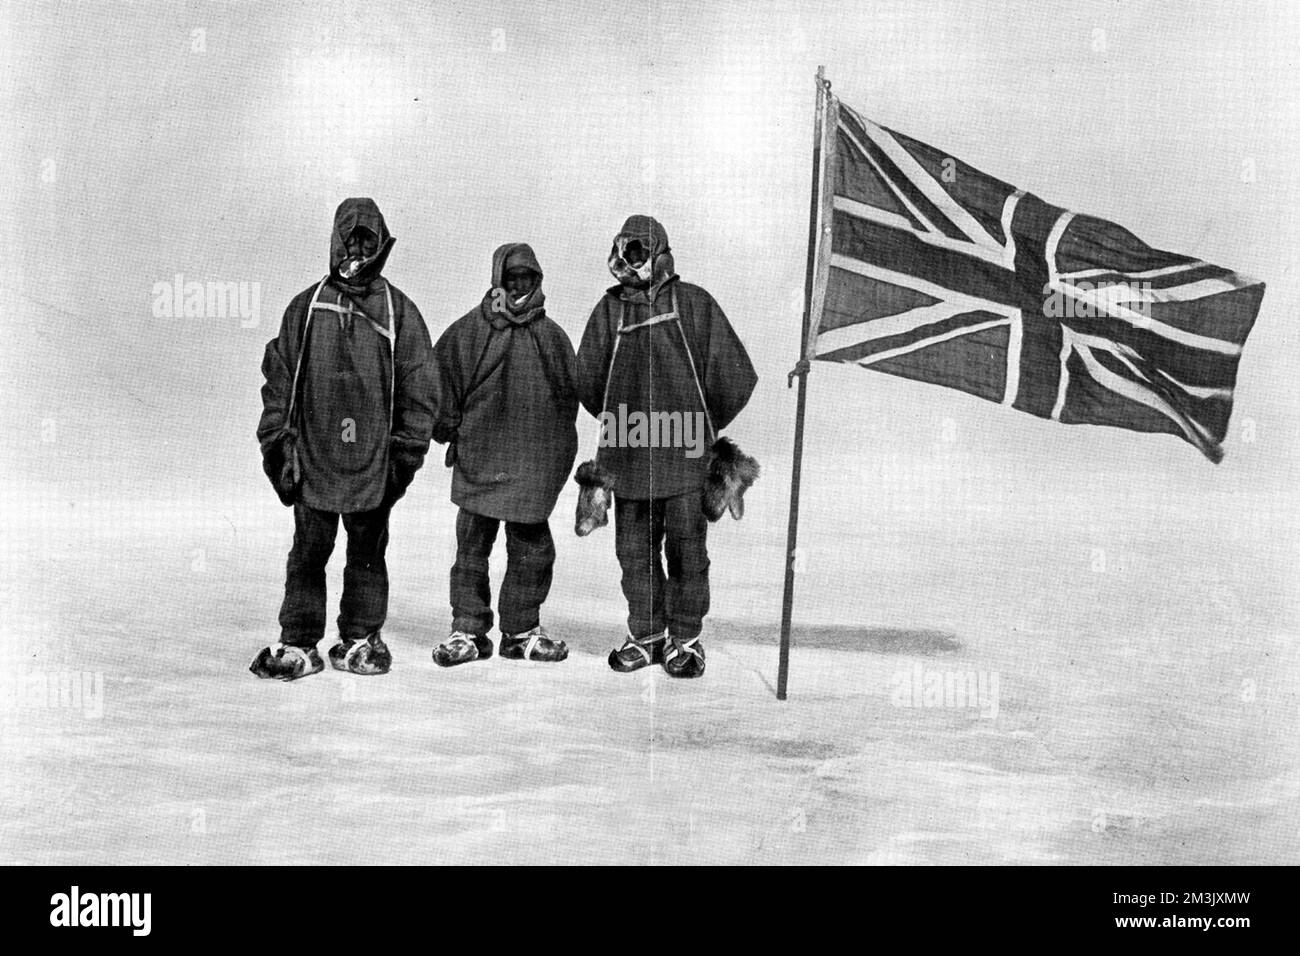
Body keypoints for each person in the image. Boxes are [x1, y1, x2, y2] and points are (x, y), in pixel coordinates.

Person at [250, 198, 434, 681]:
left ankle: (360, 637)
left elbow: (420, 388)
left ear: (380, 245)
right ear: (336, 241)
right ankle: (299, 641)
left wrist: (403, 456)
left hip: (373, 463)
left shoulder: (400, 312)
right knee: (308, 553)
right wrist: (278, 444)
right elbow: (280, 377)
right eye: (350, 239)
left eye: (367, 240)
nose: (358, 249)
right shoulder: (307, 306)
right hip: (314, 457)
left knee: (368, 554)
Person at [575, 215, 757, 679]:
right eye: (626, 250)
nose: (632, 260)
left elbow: (735, 374)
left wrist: (699, 424)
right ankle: (647, 635)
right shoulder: (609, 310)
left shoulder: (693, 303)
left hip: (684, 462)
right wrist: (623, 420)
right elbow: (587, 379)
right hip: (629, 459)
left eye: (641, 250)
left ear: (660, 253)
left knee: (686, 550)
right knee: (633, 553)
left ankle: (686, 640)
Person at [429, 243, 578, 666]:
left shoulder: (551, 336)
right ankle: (468, 629)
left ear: (538, 281)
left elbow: (570, 397)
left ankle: (521, 629)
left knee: (532, 550)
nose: (518, 286)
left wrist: (551, 453)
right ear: (498, 280)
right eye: (511, 278)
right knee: (471, 551)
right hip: (479, 462)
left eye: (526, 279)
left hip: (530, 468)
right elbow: (440, 383)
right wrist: (451, 429)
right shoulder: (470, 330)